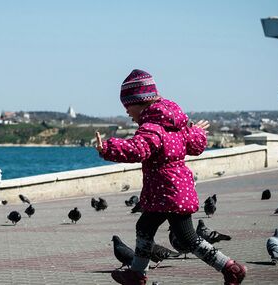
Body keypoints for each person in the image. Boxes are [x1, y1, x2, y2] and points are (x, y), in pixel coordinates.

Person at [95, 69, 246, 285]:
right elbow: (195, 145)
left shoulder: (153, 127)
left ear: (141, 102)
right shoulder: (175, 125)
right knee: (147, 227)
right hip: (172, 191)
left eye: (128, 106)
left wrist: (107, 149)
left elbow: (138, 149)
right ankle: (137, 273)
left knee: (187, 238)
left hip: (167, 192)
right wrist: (197, 132)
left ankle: (231, 268)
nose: (128, 112)